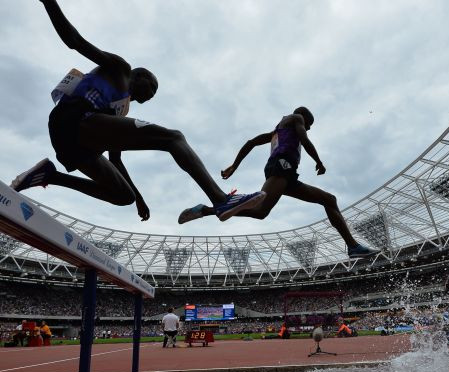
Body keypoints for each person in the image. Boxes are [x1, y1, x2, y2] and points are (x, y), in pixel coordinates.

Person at [10, 0, 265, 223]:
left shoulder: (120, 110)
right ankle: (220, 199)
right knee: (173, 138)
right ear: (138, 75)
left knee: (124, 196)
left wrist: (140, 199)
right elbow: (74, 41)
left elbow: (116, 159)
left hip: (79, 146)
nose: (152, 94)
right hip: (73, 119)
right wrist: (48, 2)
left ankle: (51, 176)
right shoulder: (120, 68)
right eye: (152, 86)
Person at [179, 107, 377, 258]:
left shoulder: (277, 131)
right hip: (281, 168)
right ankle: (206, 210)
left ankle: (352, 247)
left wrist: (234, 165)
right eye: (309, 124)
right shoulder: (295, 118)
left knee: (327, 200)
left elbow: (251, 142)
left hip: (286, 173)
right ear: (303, 117)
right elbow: (304, 138)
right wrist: (318, 161)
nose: (308, 127)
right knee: (261, 209)